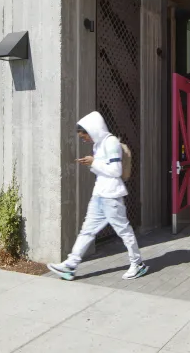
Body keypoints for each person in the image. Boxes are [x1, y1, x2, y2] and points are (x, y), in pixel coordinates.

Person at [48, 111, 148, 281]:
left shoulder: (111, 142)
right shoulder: (98, 145)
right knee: (87, 231)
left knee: (124, 230)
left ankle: (137, 264)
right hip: (99, 195)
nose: (84, 140)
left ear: (93, 130)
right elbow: (103, 170)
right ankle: (71, 265)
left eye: (84, 136)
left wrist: (93, 162)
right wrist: (92, 163)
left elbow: (115, 171)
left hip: (111, 196)